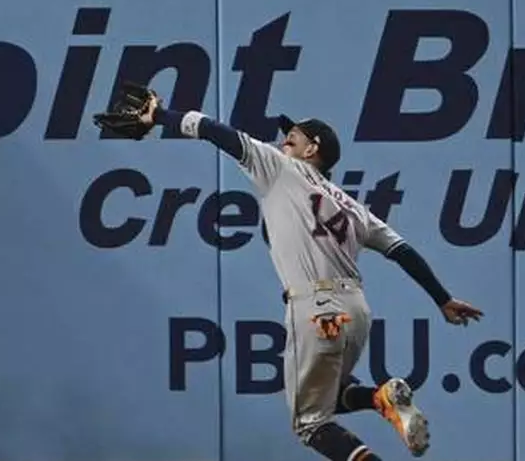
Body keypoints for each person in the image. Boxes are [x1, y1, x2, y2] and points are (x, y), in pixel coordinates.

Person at [137, 94, 484, 461]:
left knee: (310, 424)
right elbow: (402, 251)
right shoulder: (354, 207)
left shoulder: (279, 168)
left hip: (315, 307)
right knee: (331, 393)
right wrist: (442, 299)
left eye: (292, 138)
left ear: (312, 148)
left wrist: (160, 115)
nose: (282, 142)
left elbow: (214, 131)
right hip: (357, 310)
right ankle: (380, 398)